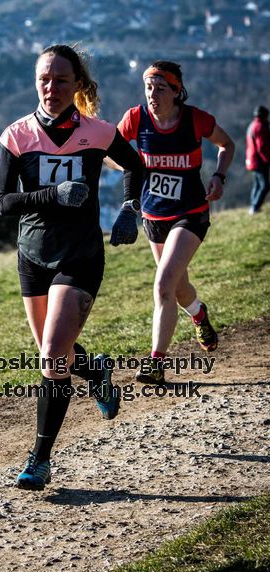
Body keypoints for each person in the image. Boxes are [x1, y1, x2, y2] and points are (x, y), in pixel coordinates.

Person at [0, 44, 142, 490]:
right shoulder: (17, 135)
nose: (51, 87)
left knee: (53, 354)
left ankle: (39, 459)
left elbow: (135, 166)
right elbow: (4, 203)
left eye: (61, 80)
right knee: (51, 353)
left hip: (79, 255)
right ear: (35, 82)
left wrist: (128, 209)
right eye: (44, 79)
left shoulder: (97, 132)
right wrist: (53, 196)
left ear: (77, 85)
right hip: (32, 255)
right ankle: (96, 371)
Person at [110, 60, 235, 384]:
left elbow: (227, 144)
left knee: (163, 284)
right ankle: (198, 313)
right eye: (149, 87)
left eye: (160, 88)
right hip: (153, 217)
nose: (153, 94)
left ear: (176, 91)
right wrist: (130, 164)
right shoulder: (135, 119)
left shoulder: (195, 119)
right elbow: (111, 153)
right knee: (178, 288)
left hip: (190, 213)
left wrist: (219, 176)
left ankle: (155, 363)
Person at [246, 105, 270, 214]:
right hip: (259, 160)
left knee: (257, 184)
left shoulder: (252, 125)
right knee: (265, 185)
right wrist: (267, 159)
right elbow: (262, 147)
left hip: (251, 159)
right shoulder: (260, 127)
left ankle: (253, 206)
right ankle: (255, 207)